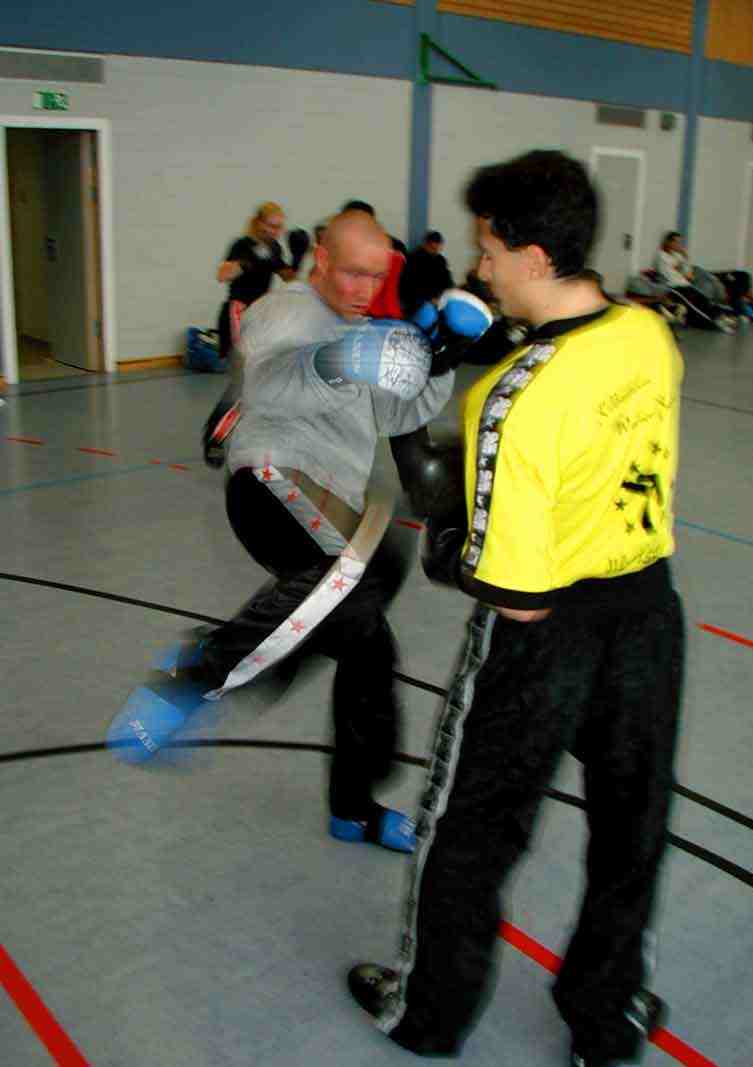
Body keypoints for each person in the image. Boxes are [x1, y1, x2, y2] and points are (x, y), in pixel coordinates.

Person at [347, 150, 686, 1067]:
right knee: (633, 821)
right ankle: (606, 1018)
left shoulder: (515, 398)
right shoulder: (649, 334)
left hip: (549, 636)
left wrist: (449, 535)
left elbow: (516, 597)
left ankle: (429, 1014)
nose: (479, 266)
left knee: (474, 827)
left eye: (490, 250)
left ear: (534, 256)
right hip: (649, 613)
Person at [196, 211, 456, 850]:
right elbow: (267, 384)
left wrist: (439, 358)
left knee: (370, 647)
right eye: (353, 273)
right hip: (272, 482)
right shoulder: (288, 310)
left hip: (329, 507)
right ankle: (204, 669)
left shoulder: (363, 326)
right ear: (321, 257)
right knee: (364, 569)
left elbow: (400, 413)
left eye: (376, 276)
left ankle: (353, 808)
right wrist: (340, 360)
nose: (364, 289)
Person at [215, 202, 296, 361]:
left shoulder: (274, 248)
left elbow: (288, 278)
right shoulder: (242, 245)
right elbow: (222, 275)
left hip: (261, 311)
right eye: (271, 226)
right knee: (241, 362)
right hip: (240, 311)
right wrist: (247, 260)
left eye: (279, 227)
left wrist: (297, 258)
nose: (275, 231)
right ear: (258, 223)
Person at [654, 231, 737, 333]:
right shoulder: (661, 256)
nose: (678, 245)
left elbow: (688, 273)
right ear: (668, 242)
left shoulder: (677, 256)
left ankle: (721, 317)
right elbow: (671, 275)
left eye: (679, 243)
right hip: (674, 287)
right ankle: (714, 323)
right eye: (676, 242)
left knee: (704, 300)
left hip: (686, 284)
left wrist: (685, 257)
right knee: (694, 306)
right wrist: (681, 270)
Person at [399, 230, 454, 316]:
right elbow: (411, 285)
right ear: (426, 245)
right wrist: (429, 299)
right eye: (432, 248)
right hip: (417, 303)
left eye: (437, 248)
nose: (435, 251)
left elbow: (447, 281)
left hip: (436, 301)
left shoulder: (440, 260)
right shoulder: (414, 259)